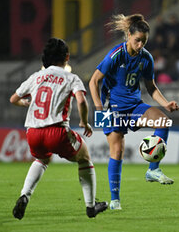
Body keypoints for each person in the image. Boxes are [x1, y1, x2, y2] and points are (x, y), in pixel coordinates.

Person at [9, 38, 108, 219]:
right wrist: (85, 122)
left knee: (41, 160)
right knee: (84, 158)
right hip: (56, 131)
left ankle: (24, 195)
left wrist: (27, 103)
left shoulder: (35, 77)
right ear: (67, 57)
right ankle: (91, 206)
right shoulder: (70, 77)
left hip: (33, 132)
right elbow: (81, 100)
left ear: (44, 59)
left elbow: (13, 99)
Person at [89, 14, 179, 210]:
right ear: (128, 35)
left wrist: (165, 104)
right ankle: (115, 201)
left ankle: (153, 170)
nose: (140, 45)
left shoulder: (146, 58)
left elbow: (151, 87)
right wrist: (98, 109)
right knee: (117, 151)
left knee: (163, 122)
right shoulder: (115, 55)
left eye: (144, 42)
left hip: (134, 106)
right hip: (111, 109)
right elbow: (94, 80)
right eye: (137, 40)